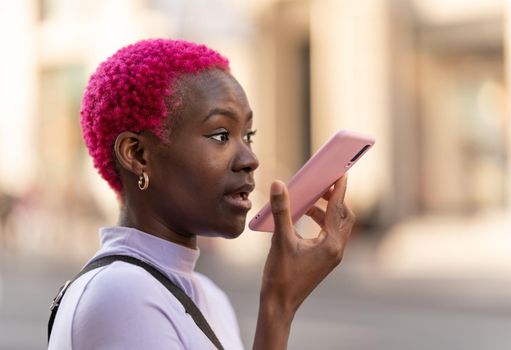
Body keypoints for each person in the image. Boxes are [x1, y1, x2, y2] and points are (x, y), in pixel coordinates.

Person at [47, 39, 355, 350]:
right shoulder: (121, 295)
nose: (250, 159)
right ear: (138, 155)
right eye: (221, 135)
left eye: (248, 135)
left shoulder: (210, 296)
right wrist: (278, 306)